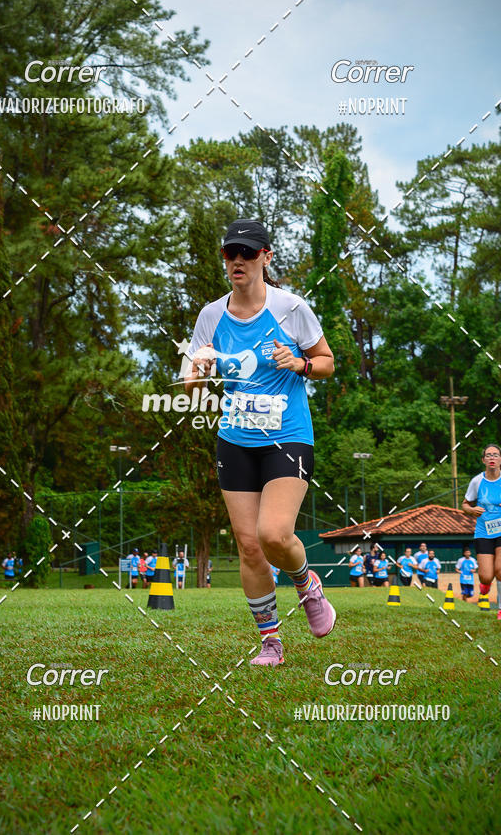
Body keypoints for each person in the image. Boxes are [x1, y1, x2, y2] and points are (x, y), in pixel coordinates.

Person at [185, 219, 336, 667]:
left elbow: (326, 361)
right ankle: (271, 642)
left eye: (248, 253)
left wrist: (300, 364)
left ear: (266, 258)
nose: (237, 260)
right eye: (231, 253)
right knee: (249, 545)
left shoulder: (292, 308)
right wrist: (201, 374)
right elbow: (191, 383)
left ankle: (308, 584)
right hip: (235, 439)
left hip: (288, 435)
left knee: (274, 534)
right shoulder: (211, 315)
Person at [462, 444, 501, 621]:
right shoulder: (477, 481)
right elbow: (465, 504)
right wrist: (471, 511)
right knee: (486, 576)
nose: (492, 458)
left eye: (495, 455)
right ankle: (485, 586)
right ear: (483, 460)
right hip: (483, 531)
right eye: (488, 455)